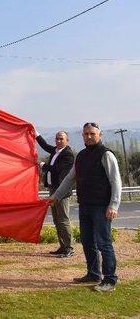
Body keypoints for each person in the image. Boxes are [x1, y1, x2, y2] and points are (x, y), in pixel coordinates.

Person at [51, 122, 122, 292]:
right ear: (82, 135)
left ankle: (110, 280)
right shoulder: (81, 156)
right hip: (85, 206)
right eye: (85, 134)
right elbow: (69, 178)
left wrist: (113, 205)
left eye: (92, 134)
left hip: (102, 206)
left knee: (104, 243)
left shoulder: (106, 155)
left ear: (100, 135)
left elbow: (116, 181)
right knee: (87, 241)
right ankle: (93, 274)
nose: (89, 137)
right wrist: (56, 196)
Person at [36, 130, 75, 257]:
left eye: (61, 139)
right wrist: (36, 134)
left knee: (63, 220)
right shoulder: (56, 151)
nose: (58, 141)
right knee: (57, 220)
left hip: (61, 191)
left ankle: (69, 248)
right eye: (57, 139)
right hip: (52, 189)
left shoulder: (67, 154)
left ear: (67, 140)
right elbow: (45, 146)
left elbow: (57, 169)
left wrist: (42, 164)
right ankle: (62, 246)